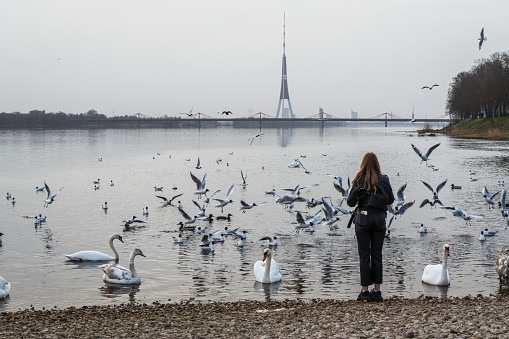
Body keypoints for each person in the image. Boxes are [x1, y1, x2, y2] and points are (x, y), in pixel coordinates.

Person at [347, 152, 394, 302]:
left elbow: (350, 202)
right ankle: (378, 292)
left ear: (363, 164)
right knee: (377, 255)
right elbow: (391, 200)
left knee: (364, 255)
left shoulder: (359, 180)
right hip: (380, 219)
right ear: (377, 164)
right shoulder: (384, 179)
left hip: (364, 220)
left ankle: (365, 292)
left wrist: (361, 195)